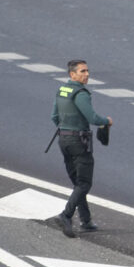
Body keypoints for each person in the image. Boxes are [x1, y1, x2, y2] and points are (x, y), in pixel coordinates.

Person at [50, 59, 112, 238]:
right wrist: (106, 121)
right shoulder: (81, 93)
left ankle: (86, 220)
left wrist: (66, 129)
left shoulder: (62, 90)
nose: (87, 74)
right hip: (79, 141)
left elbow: (54, 117)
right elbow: (92, 118)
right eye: (82, 71)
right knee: (84, 183)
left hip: (63, 140)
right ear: (72, 74)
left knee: (78, 182)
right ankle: (66, 215)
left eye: (87, 71)